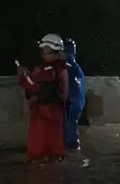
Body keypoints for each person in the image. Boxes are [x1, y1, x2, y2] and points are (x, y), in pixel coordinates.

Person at [18, 33, 68, 163]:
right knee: (54, 140)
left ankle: (41, 161)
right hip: (56, 109)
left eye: (47, 50)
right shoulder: (62, 69)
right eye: (43, 50)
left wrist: (23, 75)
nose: (44, 53)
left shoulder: (43, 69)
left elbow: (29, 85)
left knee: (39, 141)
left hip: (42, 110)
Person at [62, 38, 86, 150]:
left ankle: (70, 148)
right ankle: (74, 146)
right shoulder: (76, 66)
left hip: (71, 101)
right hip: (78, 102)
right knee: (72, 125)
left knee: (69, 127)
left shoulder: (67, 65)